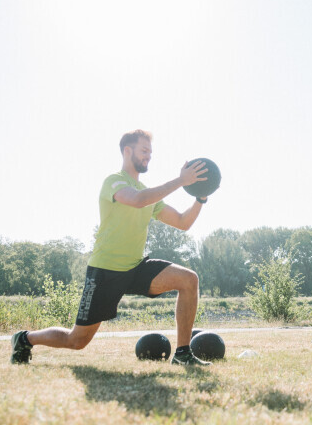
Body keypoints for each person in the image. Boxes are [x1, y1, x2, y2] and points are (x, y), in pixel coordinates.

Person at [11, 129, 211, 366]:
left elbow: (182, 222)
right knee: (77, 340)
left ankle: (182, 353)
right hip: (106, 270)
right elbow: (137, 200)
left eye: (150, 152)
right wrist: (180, 181)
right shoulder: (114, 181)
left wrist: (201, 198)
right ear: (128, 150)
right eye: (144, 150)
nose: (149, 156)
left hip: (136, 267)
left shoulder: (150, 194)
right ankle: (24, 339)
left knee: (189, 280)